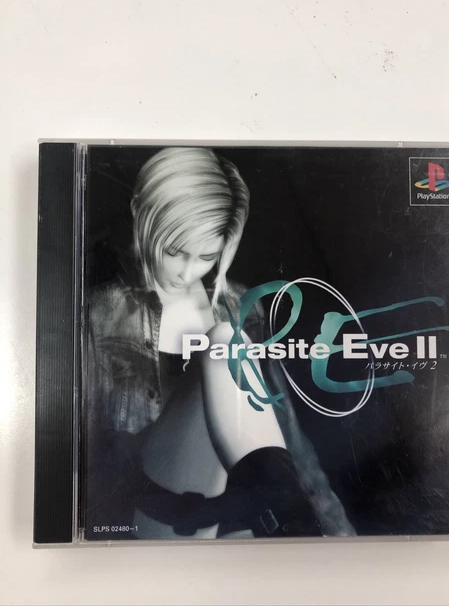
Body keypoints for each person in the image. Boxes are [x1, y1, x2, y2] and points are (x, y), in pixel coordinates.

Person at [86, 147, 355, 540]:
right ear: (139, 212)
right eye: (174, 251)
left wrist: (338, 532)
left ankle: (290, 528)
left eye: (206, 256)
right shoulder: (98, 315)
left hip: (235, 515)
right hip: (159, 512)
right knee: (225, 340)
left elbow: (286, 434)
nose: (186, 271)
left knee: (229, 335)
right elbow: (88, 457)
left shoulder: (242, 306)